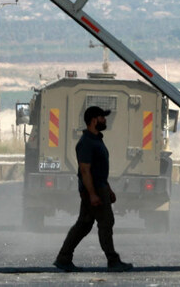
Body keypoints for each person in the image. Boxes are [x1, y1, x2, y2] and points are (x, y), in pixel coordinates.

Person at [53, 106, 133, 273]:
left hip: (99, 188)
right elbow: (85, 170)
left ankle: (63, 258)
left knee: (84, 224)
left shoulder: (96, 139)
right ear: (94, 120)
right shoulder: (86, 143)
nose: (105, 120)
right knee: (106, 222)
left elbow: (98, 170)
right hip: (93, 190)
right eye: (102, 117)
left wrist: (108, 189)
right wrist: (93, 194)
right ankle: (113, 260)